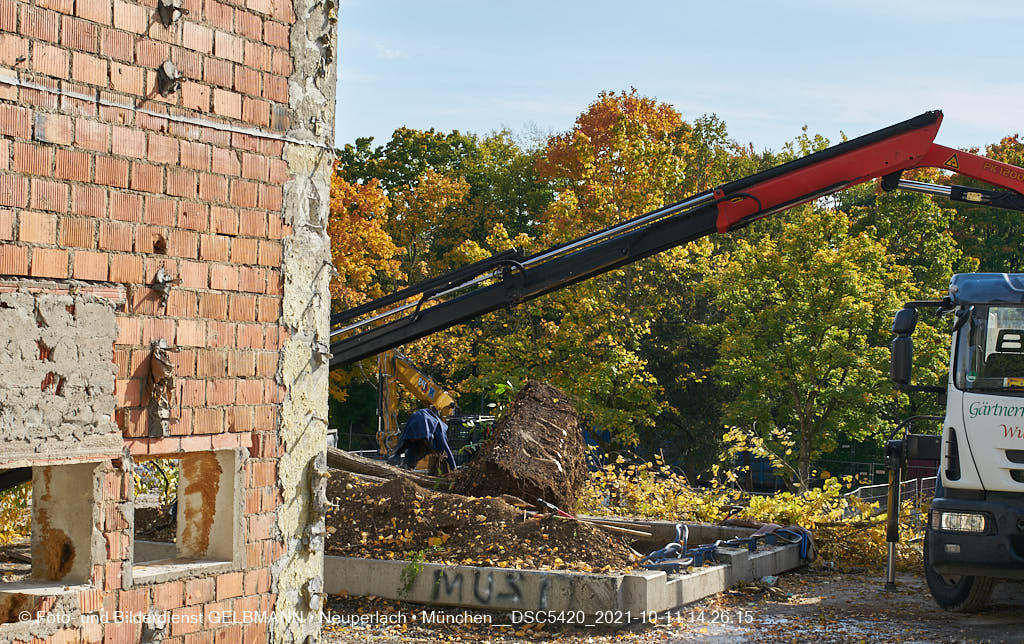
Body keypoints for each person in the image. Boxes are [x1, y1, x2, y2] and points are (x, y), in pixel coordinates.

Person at [388, 408, 457, 473]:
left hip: (428, 437)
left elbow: (446, 450)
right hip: (421, 434)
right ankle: (408, 467)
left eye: (414, 438)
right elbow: (402, 446)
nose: (413, 439)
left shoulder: (438, 433)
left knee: (441, 458)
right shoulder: (411, 434)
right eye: (412, 438)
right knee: (411, 452)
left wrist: (454, 469)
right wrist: (393, 459)